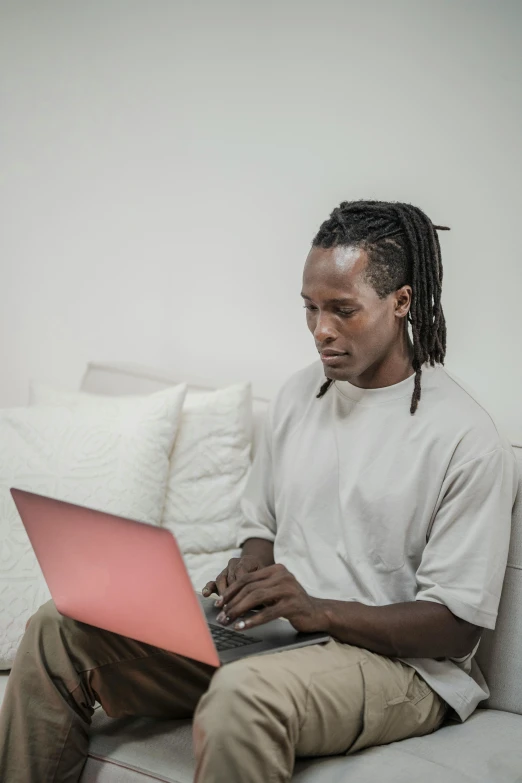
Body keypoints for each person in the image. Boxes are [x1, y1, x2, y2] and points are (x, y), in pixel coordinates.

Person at [0, 199, 518, 783]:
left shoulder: (466, 439)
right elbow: (260, 531)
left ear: (401, 302)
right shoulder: (302, 395)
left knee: (241, 693)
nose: (321, 330)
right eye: (311, 308)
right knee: (57, 628)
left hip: (403, 669)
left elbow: (454, 626)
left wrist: (316, 609)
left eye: (342, 310)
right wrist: (244, 575)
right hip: (280, 639)